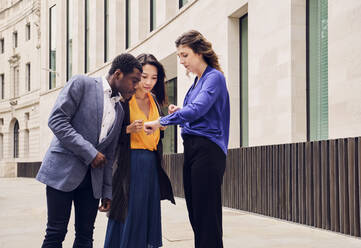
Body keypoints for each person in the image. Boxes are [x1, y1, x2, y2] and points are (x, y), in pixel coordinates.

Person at [36, 53, 142, 248]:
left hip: (92, 180)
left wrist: (107, 191)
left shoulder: (119, 110)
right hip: (62, 172)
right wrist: (90, 152)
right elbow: (57, 121)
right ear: (118, 74)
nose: (136, 87)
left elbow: (109, 155)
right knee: (55, 233)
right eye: (134, 81)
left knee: (86, 236)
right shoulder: (81, 83)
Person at [144, 30, 230, 248]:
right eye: (179, 56)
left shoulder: (214, 77)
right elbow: (196, 112)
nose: (181, 61)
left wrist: (162, 121)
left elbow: (198, 109)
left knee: (206, 214)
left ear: (199, 52)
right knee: (196, 212)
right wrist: (180, 111)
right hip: (192, 149)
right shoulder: (197, 83)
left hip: (208, 150)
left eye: (185, 55)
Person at [104, 53, 175, 248]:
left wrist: (166, 121)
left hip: (150, 163)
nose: (149, 82)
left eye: (154, 78)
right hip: (130, 163)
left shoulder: (154, 100)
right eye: (144, 77)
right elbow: (108, 133)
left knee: (146, 212)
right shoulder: (124, 99)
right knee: (128, 211)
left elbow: (156, 135)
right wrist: (126, 129)